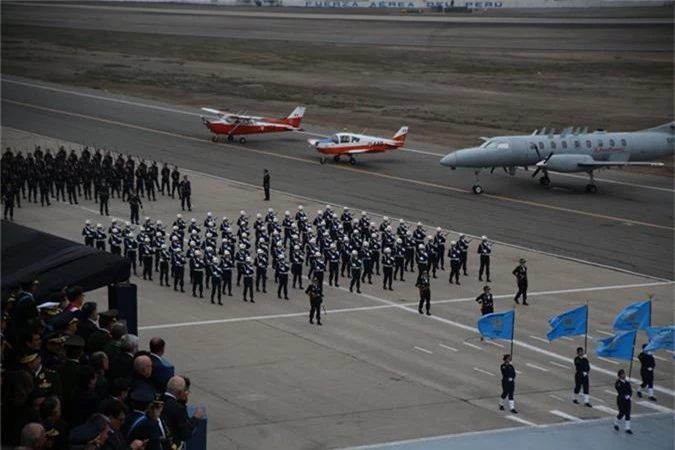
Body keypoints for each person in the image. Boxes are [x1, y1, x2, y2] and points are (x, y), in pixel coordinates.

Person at [614, 369, 633, 434]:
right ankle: (616, 422)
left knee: (628, 413)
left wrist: (629, 395)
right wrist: (624, 395)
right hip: (621, 399)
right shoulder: (618, 383)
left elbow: (630, 391)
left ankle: (627, 428)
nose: (624, 375)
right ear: (619, 376)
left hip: (627, 400)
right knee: (622, 413)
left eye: (624, 374)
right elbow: (620, 390)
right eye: (622, 374)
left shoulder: (627, 382)